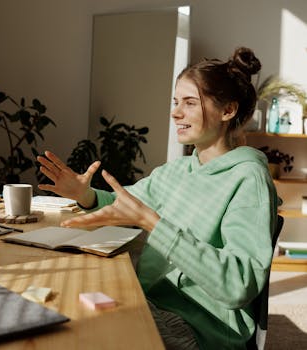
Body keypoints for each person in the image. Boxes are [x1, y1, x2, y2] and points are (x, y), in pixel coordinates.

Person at [37, 47, 279, 349]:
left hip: (199, 325)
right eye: (175, 102)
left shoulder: (248, 179)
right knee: (56, 312)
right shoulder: (176, 171)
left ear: (228, 110)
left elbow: (237, 285)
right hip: (151, 301)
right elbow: (125, 205)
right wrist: (83, 193)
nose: (176, 112)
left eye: (190, 103)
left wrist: (152, 222)